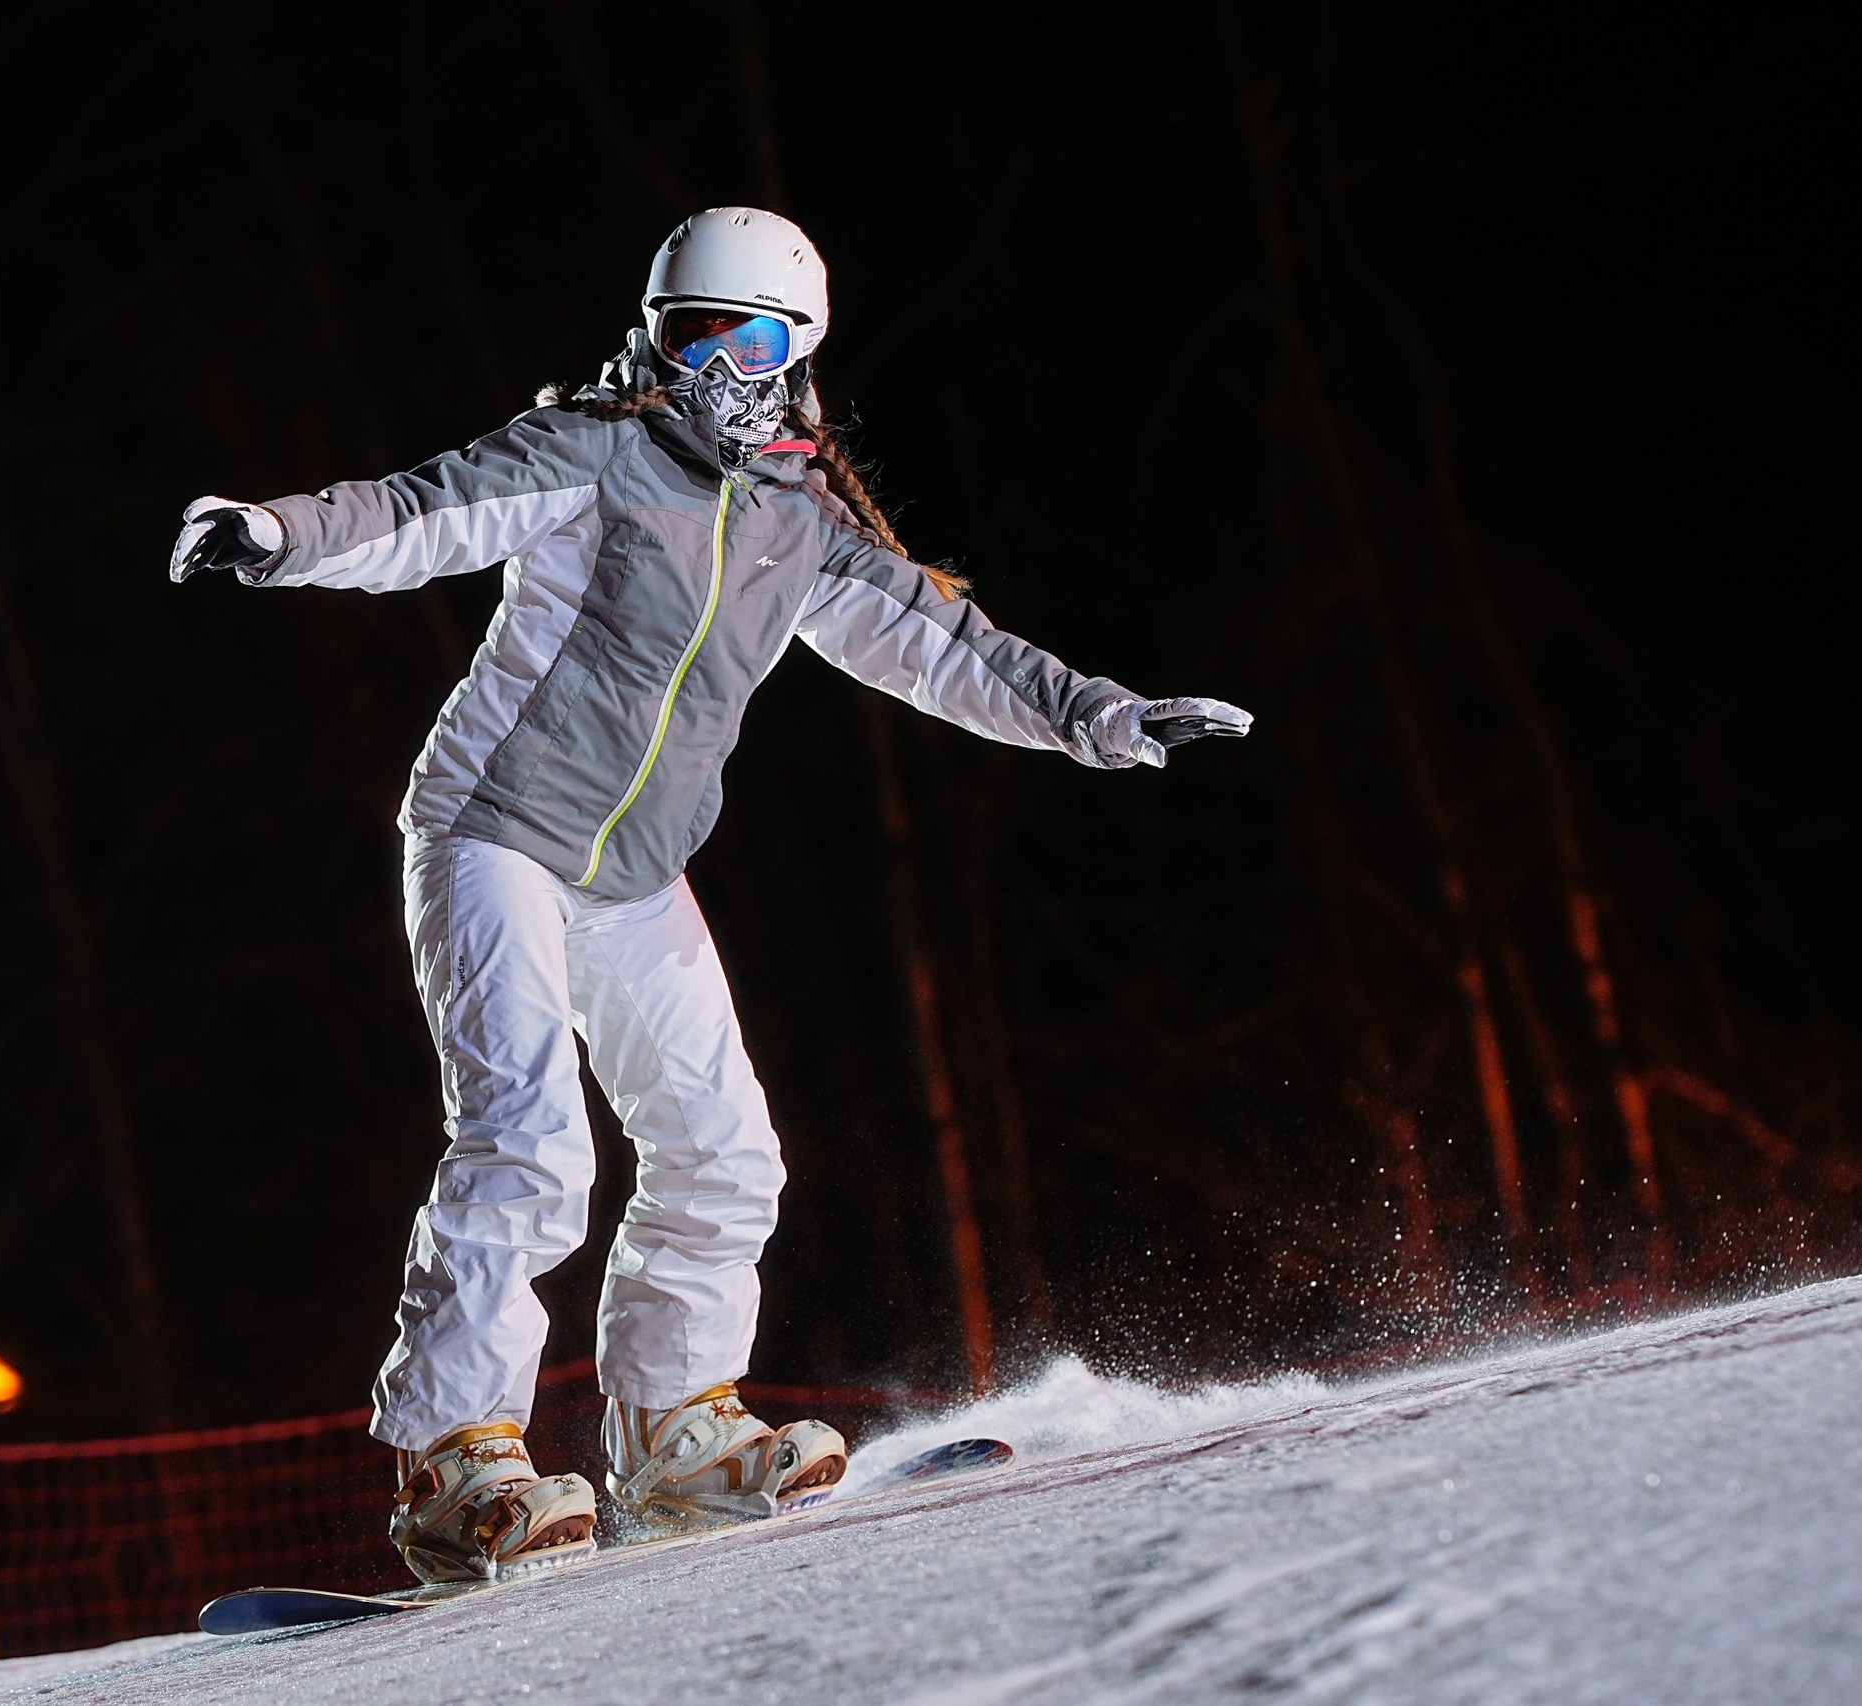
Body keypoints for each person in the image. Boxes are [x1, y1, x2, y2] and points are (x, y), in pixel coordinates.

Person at [168, 207, 1250, 1583]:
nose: (713, 365)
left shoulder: (799, 527)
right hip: (496, 830)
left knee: (726, 1147)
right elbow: (420, 508)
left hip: (632, 873)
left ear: (793, 351)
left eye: (745, 339)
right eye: (691, 334)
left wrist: (1104, 715)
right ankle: (456, 1464)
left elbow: (946, 645)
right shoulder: (597, 452)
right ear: (657, 333)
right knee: (528, 1142)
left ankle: (673, 1435)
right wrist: (271, 531)